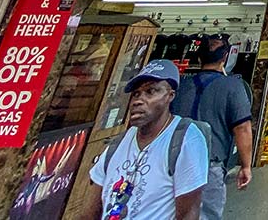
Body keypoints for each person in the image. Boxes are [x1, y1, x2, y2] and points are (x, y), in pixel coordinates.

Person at [83, 59, 209, 220]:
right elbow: (90, 211)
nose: (138, 100)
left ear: (170, 96)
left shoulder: (186, 138)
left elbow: (189, 213)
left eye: (151, 91)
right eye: (136, 94)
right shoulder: (119, 143)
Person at [171, 35, 253, 220]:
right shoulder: (233, 86)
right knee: (206, 214)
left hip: (172, 162)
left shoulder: (181, 86)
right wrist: (246, 165)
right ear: (225, 58)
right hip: (209, 164)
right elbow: (243, 128)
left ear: (198, 58)